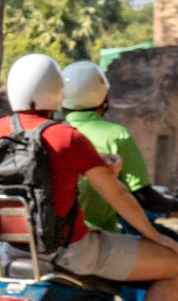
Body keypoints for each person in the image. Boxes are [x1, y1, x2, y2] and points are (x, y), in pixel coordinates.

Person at [0, 53, 178, 301]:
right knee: (177, 267)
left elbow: (41, 175)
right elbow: (119, 197)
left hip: (16, 252)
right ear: (56, 92)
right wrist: (156, 236)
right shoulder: (67, 137)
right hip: (73, 251)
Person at [59, 61, 148, 230]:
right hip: (96, 235)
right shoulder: (116, 135)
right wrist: (176, 206)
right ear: (103, 97)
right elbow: (142, 194)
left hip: (56, 234)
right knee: (172, 253)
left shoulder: (52, 134)